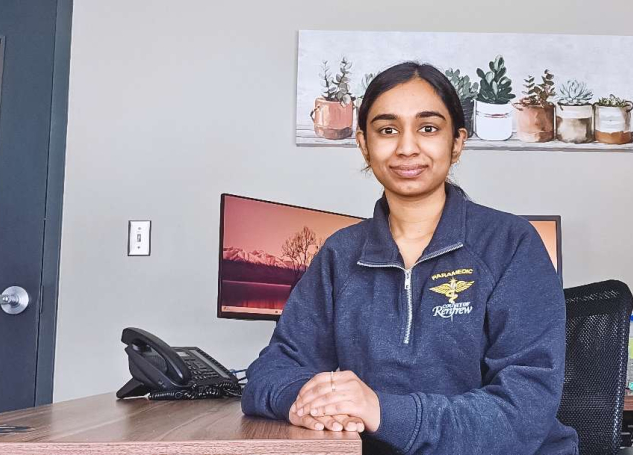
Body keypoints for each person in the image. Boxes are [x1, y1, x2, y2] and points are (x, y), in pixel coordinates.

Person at [241, 61, 578, 454]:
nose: (406, 147)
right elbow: (270, 373)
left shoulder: (511, 244)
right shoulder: (340, 255)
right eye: (387, 130)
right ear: (364, 144)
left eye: (428, 128)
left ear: (458, 142)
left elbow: (524, 411)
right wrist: (305, 403)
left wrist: (379, 410)